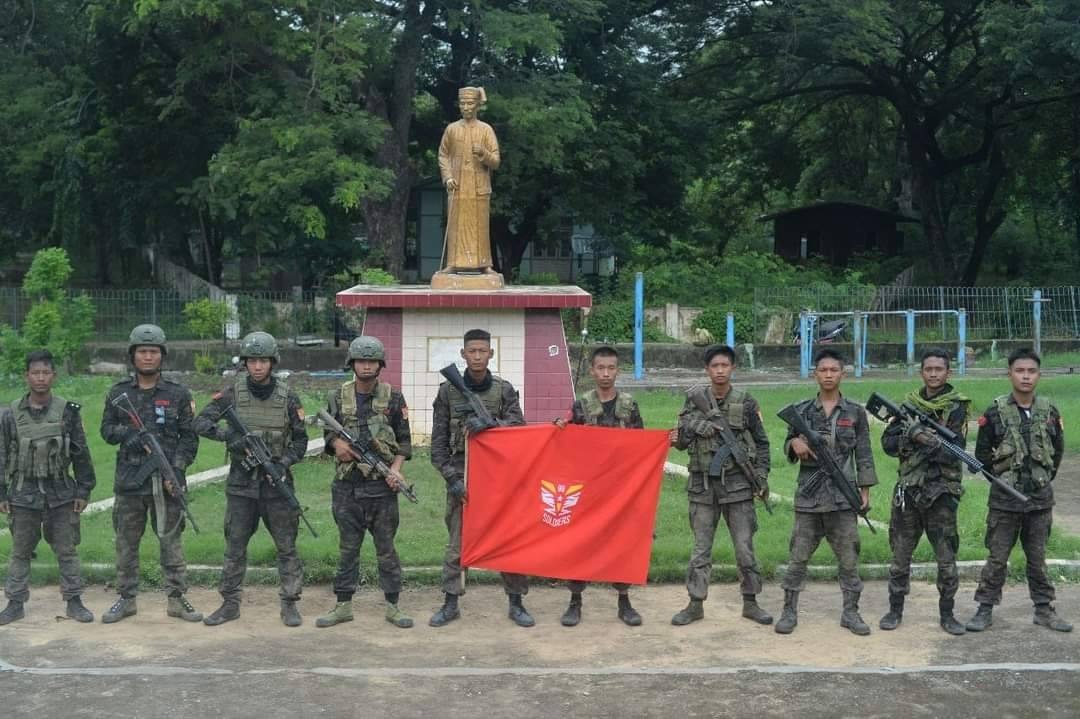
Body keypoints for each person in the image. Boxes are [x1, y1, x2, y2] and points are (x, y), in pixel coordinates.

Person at [195, 331, 309, 628]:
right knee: (235, 546)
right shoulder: (232, 393)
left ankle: (289, 603)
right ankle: (230, 604)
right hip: (241, 485)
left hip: (276, 485)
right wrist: (229, 437)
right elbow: (200, 422)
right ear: (244, 363)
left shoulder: (288, 396)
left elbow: (300, 441)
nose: (258, 367)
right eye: (252, 361)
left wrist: (283, 463)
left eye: (263, 361)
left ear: (273, 363)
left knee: (286, 547)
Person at [100, 324, 202, 624]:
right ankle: (126, 598)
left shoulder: (178, 394)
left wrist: (178, 471)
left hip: (166, 482)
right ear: (132, 356)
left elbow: (190, 437)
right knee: (126, 542)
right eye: (142, 352)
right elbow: (106, 430)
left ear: (162, 356)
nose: (148, 357)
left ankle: (176, 598)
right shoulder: (119, 393)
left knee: (171, 541)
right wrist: (129, 434)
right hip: (130, 482)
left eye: (153, 352)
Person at [966, 348, 1071, 633]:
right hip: (1004, 502)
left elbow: (1057, 451)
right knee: (998, 558)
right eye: (1020, 371)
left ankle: (1043, 609)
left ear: (1039, 374)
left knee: (1037, 558)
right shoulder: (995, 411)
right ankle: (984, 609)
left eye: (1031, 371)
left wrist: (1042, 480)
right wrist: (1005, 484)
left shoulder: (1049, 411)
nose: (1026, 376)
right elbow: (983, 455)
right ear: (1009, 373)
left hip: (1039, 501)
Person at [775, 348, 878, 636]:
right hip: (809, 499)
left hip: (843, 499)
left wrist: (864, 489)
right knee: (798, 557)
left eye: (834, 370)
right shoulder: (803, 411)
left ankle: (851, 612)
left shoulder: (855, 412)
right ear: (815, 374)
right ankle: (789, 611)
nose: (829, 375)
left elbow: (865, 454)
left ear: (842, 374)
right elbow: (787, 444)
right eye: (823, 370)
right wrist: (794, 444)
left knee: (848, 559)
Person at [429, 328, 527, 627]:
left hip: (499, 479)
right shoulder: (448, 391)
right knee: (458, 543)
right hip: (462, 476)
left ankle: (516, 602)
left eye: (482, 351)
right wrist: (452, 479)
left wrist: (490, 424)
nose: (477, 356)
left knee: (507, 540)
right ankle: (450, 601)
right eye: (471, 351)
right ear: (463, 354)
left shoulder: (504, 389)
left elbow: (519, 426)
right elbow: (438, 446)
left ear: (491, 354)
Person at [671, 344, 773, 627]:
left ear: (732, 368)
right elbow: (678, 442)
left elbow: (762, 443)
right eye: (714, 366)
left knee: (744, 548)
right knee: (701, 550)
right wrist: (693, 427)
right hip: (703, 488)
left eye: (724, 366)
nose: (719, 371)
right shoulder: (694, 401)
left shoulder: (747, 402)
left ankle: (751, 602)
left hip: (739, 488)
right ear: (707, 370)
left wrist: (761, 477)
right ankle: (695, 604)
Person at [316, 336, 414, 629]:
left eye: (372, 361)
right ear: (353, 364)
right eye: (362, 361)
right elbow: (325, 433)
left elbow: (404, 443)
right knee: (348, 549)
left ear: (380, 364)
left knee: (386, 549)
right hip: (347, 489)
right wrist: (337, 445)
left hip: (381, 490)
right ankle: (343, 605)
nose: (367, 366)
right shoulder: (337, 397)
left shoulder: (393, 398)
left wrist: (396, 470)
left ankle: (393, 606)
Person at [0, 350, 96, 625]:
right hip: (23, 493)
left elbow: (80, 452)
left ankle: (74, 602)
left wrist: (83, 489)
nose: (40, 378)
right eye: (35, 372)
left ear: (53, 375)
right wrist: (1, 491)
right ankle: (15, 603)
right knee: (19, 551)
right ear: (26, 376)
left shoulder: (68, 412)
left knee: (67, 550)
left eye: (45, 372)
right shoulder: (11, 414)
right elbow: (2, 453)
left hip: (60, 493)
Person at [553, 346, 646, 627]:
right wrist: (559, 428)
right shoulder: (581, 405)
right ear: (592, 371)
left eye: (611, 368)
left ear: (618, 370)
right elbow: (566, 442)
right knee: (581, 544)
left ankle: (624, 600)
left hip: (620, 488)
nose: (606, 374)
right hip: (588, 489)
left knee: (620, 544)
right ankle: (575, 601)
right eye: (600, 368)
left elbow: (642, 446)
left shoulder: (629, 406)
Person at [879, 348, 969, 635]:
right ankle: (894, 611)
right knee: (900, 557)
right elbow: (888, 445)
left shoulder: (956, 407)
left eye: (939, 369)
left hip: (941, 494)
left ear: (948, 372)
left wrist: (925, 439)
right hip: (909, 492)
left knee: (946, 560)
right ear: (922, 372)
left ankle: (947, 614)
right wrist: (911, 433)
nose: (933, 374)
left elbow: (952, 453)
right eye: (928, 369)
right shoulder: (908, 407)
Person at [437, 86, 501, 273]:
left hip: (479, 187)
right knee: (456, 224)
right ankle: (452, 263)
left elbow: (496, 161)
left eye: (470, 103)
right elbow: (443, 155)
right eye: (463, 103)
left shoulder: (485, 130)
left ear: (477, 106)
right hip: (457, 186)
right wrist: (447, 177)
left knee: (480, 226)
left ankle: (484, 264)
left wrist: (484, 153)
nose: (465, 107)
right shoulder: (451, 129)